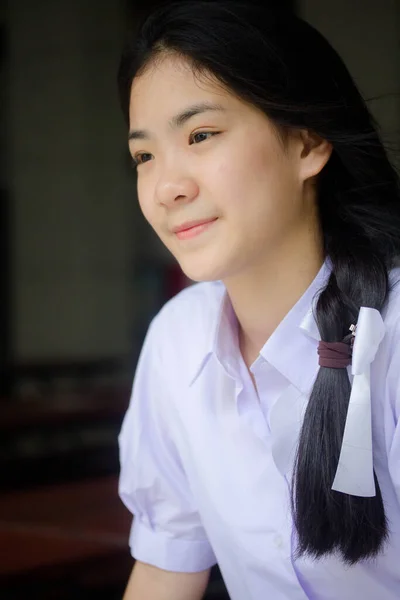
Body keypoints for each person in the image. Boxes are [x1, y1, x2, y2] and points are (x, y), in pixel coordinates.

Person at [116, 1, 400, 598]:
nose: (168, 187)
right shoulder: (177, 342)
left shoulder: (392, 338)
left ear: (308, 141)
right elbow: (167, 569)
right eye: (144, 156)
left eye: (201, 135)